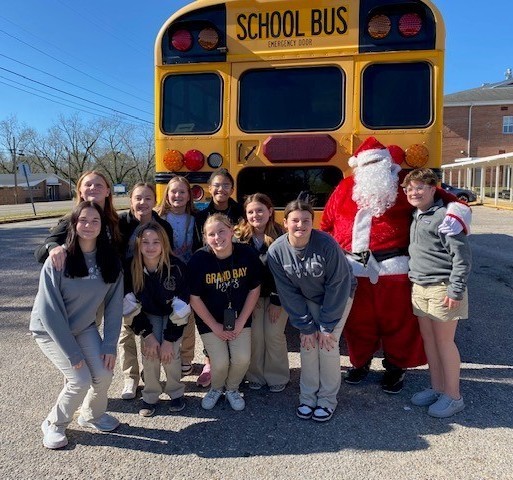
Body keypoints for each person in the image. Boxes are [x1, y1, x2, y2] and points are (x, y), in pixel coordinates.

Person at [320, 137, 471, 394]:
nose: (374, 168)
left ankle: (396, 367)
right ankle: (360, 363)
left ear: (388, 163)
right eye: (368, 164)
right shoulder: (345, 187)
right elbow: (326, 224)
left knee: (399, 323)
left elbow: (451, 201)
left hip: (395, 269)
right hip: (354, 270)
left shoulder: (404, 187)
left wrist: (458, 215)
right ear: (358, 167)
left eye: (379, 162)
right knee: (358, 323)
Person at [30, 201, 123, 449]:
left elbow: (114, 306)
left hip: (83, 327)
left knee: (104, 372)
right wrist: (72, 353)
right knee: (79, 379)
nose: (89, 225)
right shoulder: (59, 259)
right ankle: (54, 424)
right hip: (50, 330)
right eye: (83, 220)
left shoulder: (110, 260)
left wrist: (110, 345)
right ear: (74, 223)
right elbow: (48, 312)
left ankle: (91, 415)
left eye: (95, 221)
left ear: (103, 226)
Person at [268, 200, 356, 422]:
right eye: (295, 220)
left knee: (327, 344)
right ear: (285, 222)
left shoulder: (326, 244)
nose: (300, 225)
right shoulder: (277, 251)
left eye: (306, 220)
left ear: (312, 222)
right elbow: (287, 291)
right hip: (307, 298)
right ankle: (307, 397)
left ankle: (327, 400)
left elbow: (338, 284)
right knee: (308, 344)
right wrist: (306, 325)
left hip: (337, 296)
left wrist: (326, 326)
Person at [402, 168, 471, 418]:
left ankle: (454, 397)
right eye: (410, 189)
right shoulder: (416, 215)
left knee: (444, 342)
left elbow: (462, 259)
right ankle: (438, 388)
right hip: (420, 287)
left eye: (420, 187)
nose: (414, 192)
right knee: (430, 341)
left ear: (433, 189)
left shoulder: (447, 217)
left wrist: (455, 290)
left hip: (443, 288)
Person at [188, 213, 261, 411]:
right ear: (205, 237)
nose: (217, 237)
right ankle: (216, 388)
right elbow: (194, 298)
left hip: (239, 318)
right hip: (210, 321)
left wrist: (241, 321)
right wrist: (215, 326)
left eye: (222, 231)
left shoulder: (246, 254)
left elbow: (255, 289)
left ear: (231, 231)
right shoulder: (199, 259)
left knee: (242, 358)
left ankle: (232, 389)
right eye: (211, 234)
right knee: (219, 363)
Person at [117, 182, 175, 400]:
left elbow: (168, 256)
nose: (143, 202)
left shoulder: (163, 226)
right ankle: (129, 377)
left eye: (148, 198)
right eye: (138, 198)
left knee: (150, 330)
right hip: (125, 284)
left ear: (155, 201)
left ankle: (151, 376)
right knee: (126, 333)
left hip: (152, 287)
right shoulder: (121, 223)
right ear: (131, 200)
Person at [127, 222, 190, 417]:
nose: (150, 246)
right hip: (147, 315)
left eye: (156, 241)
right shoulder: (131, 267)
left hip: (174, 316)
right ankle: (150, 395)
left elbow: (182, 306)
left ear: (164, 244)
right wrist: (147, 335)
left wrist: (169, 339)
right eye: (145, 242)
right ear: (138, 244)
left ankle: (175, 392)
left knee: (170, 355)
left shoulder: (177, 267)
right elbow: (128, 305)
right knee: (150, 353)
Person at [234, 193, 290, 392]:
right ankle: (255, 375)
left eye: (260, 210)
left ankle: (277, 375)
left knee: (273, 334)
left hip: (278, 296)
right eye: (250, 212)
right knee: (255, 336)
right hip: (252, 297)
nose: (255, 215)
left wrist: (277, 301)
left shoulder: (282, 236)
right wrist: (247, 298)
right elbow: (237, 273)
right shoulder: (239, 238)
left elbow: (286, 273)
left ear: (270, 211)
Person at [194, 168, 244, 387]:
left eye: (226, 185)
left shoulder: (241, 212)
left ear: (232, 188)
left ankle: (236, 365)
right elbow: (200, 244)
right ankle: (209, 361)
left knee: (235, 314)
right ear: (209, 188)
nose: (221, 189)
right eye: (217, 185)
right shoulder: (200, 215)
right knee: (212, 315)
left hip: (236, 270)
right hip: (210, 271)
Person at [157, 176, 202, 379]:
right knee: (166, 316)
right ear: (167, 194)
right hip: (163, 274)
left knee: (188, 317)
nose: (178, 195)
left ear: (189, 196)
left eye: (182, 192)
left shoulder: (196, 219)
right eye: (173, 191)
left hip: (188, 274)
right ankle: (166, 357)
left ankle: (186, 358)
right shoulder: (158, 218)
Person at [34, 170, 121, 268]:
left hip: (111, 279)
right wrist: (52, 248)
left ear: (107, 192)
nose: (93, 188)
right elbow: (40, 254)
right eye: (88, 185)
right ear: (80, 192)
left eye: (99, 185)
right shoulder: (71, 221)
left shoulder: (117, 222)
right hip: (79, 278)